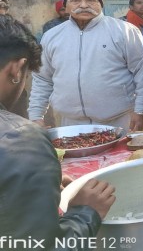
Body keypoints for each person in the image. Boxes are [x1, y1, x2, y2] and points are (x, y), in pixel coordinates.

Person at [0, 14, 116, 250]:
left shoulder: (119, 31)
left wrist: (33, 179)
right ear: (16, 69)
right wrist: (85, 212)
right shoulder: (18, 139)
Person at [28, 0, 143, 131]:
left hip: (120, 120)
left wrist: (141, 110)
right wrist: (35, 116)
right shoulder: (52, 36)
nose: (84, 5)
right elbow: (42, 79)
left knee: (126, 156)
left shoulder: (123, 31)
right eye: (75, 0)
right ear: (65, 5)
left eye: (91, 0)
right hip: (71, 124)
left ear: (101, 3)